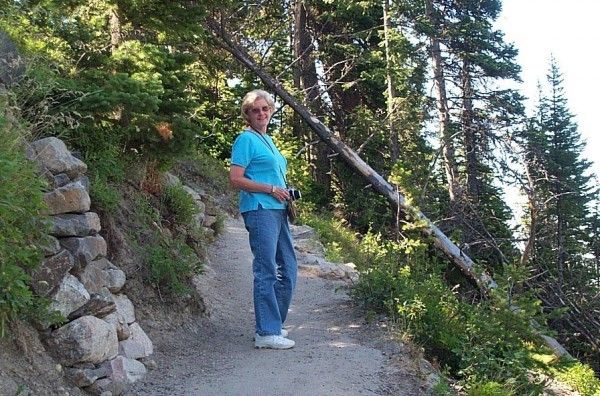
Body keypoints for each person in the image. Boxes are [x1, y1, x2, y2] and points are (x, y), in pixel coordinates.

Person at [229, 89, 298, 349]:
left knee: (289, 270)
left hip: (278, 210)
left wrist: (283, 192)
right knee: (266, 269)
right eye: (255, 110)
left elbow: (272, 175)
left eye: (265, 109)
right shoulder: (245, 140)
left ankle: (273, 324)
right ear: (247, 114)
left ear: (271, 111)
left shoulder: (267, 140)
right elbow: (236, 179)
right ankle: (267, 332)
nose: (261, 113)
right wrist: (270, 189)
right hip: (259, 209)